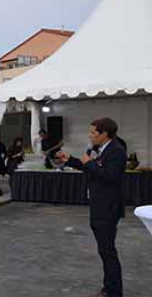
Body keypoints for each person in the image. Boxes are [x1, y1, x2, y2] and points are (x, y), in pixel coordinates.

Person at [57, 118, 126, 297]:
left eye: (93, 133)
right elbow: (90, 167)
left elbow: (109, 176)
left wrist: (89, 164)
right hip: (98, 206)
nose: (90, 136)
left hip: (108, 208)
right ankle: (109, 288)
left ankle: (113, 292)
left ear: (104, 134)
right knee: (104, 250)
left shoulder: (117, 151)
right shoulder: (100, 149)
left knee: (107, 251)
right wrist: (70, 160)